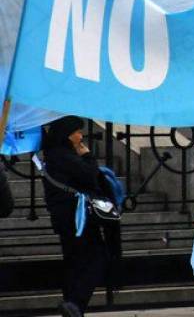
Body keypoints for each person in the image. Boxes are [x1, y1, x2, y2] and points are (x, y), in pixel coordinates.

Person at [42, 116, 117, 317]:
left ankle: (72, 305)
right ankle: (76, 303)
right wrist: (88, 156)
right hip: (78, 219)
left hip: (66, 218)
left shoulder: (54, 155)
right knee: (96, 259)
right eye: (76, 132)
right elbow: (89, 176)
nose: (80, 136)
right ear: (67, 135)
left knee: (74, 261)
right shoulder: (64, 156)